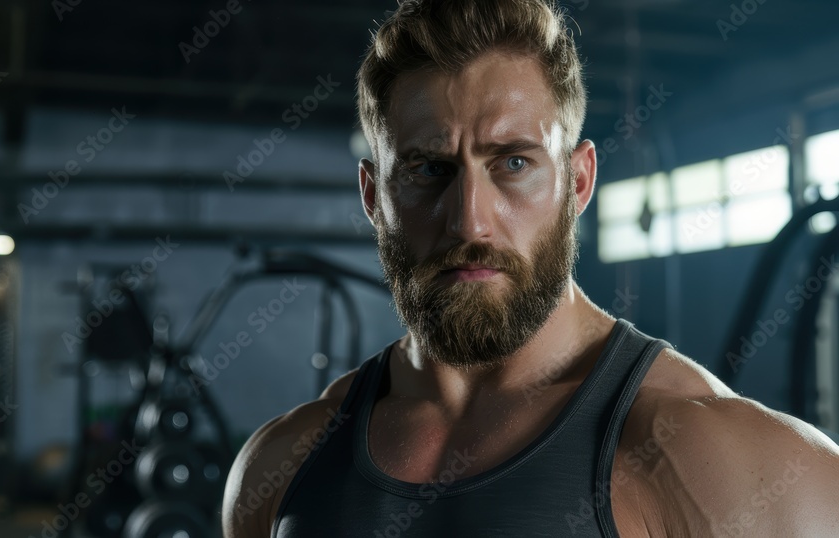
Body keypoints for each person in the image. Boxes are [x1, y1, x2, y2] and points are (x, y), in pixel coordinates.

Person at [222, 0, 839, 536]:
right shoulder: (281, 466)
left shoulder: (740, 469)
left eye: (513, 163)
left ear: (579, 182)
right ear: (371, 195)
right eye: (428, 169)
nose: (469, 223)